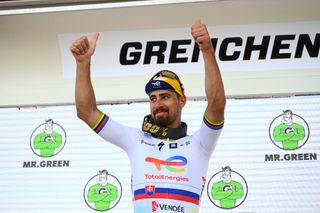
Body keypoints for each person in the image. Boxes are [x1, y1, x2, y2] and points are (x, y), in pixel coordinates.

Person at [70, 19, 226, 213]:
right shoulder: (136, 140)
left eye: (165, 96)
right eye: (153, 98)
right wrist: (82, 63)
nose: (158, 104)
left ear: (182, 101)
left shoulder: (200, 143)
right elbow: (86, 112)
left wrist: (207, 51)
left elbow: (217, 106)